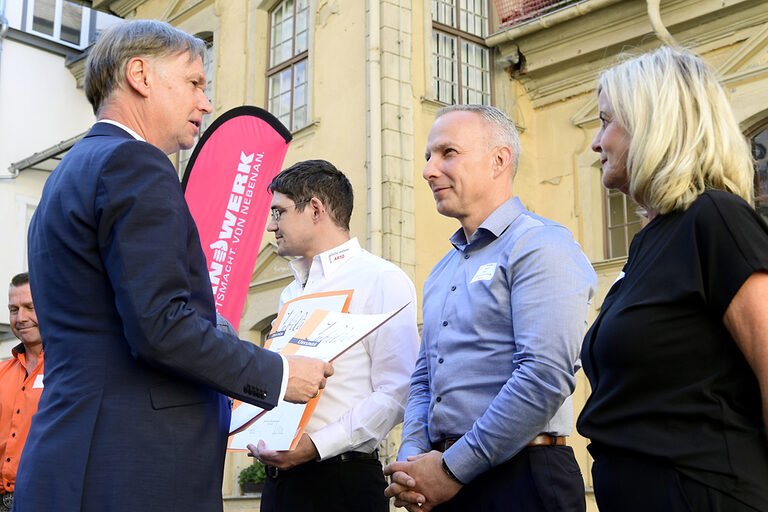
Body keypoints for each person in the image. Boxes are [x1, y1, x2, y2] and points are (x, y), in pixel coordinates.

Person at [16, 20, 332, 511]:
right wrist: (279, 375)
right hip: (132, 467)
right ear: (140, 75)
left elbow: (120, 315)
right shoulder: (134, 164)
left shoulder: (68, 174)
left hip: (74, 456)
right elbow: (160, 326)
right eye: (194, 83)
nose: (205, 102)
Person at [577, 46, 768, 511]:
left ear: (651, 124)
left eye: (606, 121)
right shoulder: (651, 240)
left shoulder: (717, 219)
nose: (596, 143)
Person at [384, 105, 597, 511]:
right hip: (444, 480)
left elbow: (543, 376)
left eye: (447, 153)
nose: (429, 170)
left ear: (499, 160)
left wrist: (451, 469)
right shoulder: (442, 270)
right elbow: (425, 376)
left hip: (521, 478)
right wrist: (413, 464)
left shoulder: (540, 245)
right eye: (428, 156)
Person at [249, 160, 420, 511]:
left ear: (315, 209)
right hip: (280, 484)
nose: (270, 226)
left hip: (341, 482)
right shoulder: (290, 294)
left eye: (279, 213)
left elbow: (398, 391)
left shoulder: (381, 280)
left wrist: (315, 445)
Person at [0, 273, 43, 512]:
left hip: (43, 501)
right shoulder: (2, 372)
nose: (21, 318)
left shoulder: (70, 373)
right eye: (13, 309)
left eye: (30, 307)